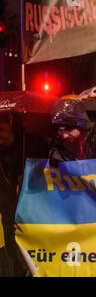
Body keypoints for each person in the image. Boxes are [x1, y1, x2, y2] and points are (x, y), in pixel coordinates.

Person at [49, 99, 96, 167]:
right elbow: (56, 164)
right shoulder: (60, 141)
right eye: (60, 130)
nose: (65, 135)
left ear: (80, 124)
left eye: (69, 129)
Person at [0, 114, 26, 276]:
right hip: (3, 194)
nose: (2, 134)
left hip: (17, 195)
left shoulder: (22, 142)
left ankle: (19, 264)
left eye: (3, 129)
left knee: (15, 230)